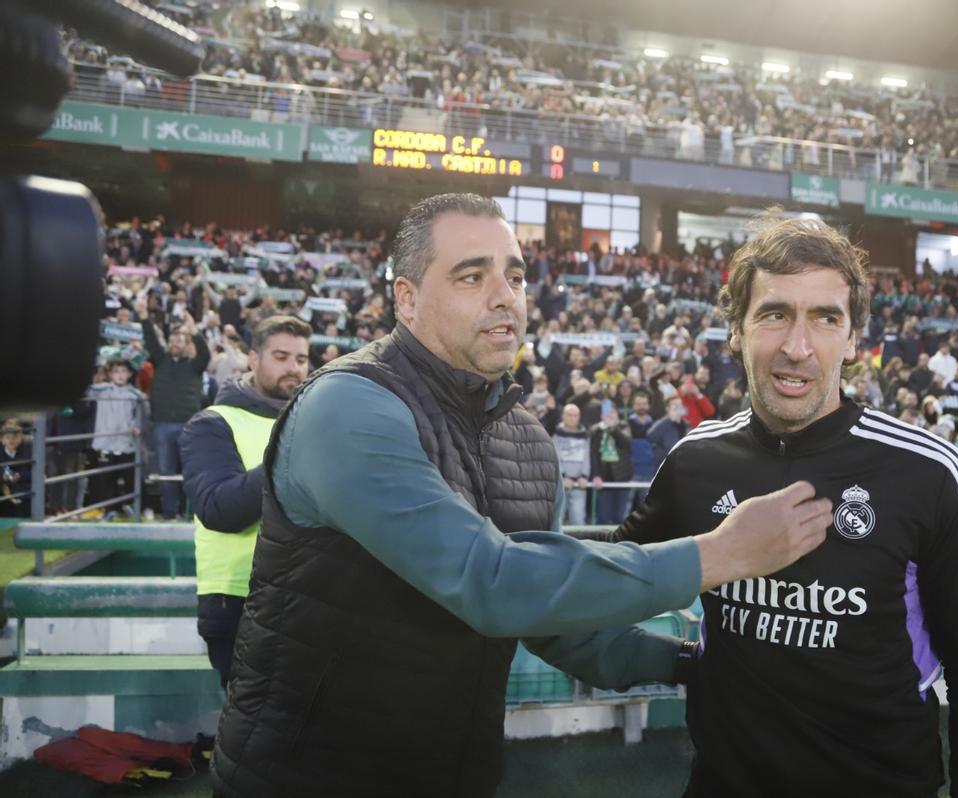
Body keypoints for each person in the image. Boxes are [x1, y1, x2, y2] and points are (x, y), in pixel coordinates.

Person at [210, 194, 831, 798]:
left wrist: (692, 664)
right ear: (406, 297)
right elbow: (492, 582)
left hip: (458, 774)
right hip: (306, 779)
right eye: (471, 276)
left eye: (515, 275)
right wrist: (718, 555)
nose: (504, 296)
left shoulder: (527, 439)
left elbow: (553, 621)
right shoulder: (346, 405)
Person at [608, 213, 958, 797]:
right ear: (737, 331)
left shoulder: (932, 472)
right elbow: (610, 578)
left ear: (853, 341)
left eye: (825, 318)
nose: (797, 347)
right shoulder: (696, 461)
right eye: (774, 314)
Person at [180, 316, 312, 687]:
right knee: (256, 735)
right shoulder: (212, 423)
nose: (294, 368)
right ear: (253, 360)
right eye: (282, 356)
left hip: (309, 596)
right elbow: (219, 510)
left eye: (301, 359)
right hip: (240, 600)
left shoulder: (313, 422)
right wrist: (291, 454)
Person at [137, 302, 210, 519]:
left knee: (192, 472)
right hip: (162, 425)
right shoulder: (160, 361)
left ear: (188, 344)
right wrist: (143, 317)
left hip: (189, 425)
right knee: (166, 472)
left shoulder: (196, 365)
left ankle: (193, 514)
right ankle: (170, 513)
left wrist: (194, 331)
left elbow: (205, 353)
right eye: (172, 340)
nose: (175, 343)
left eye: (179, 340)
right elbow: (151, 339)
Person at [85, 360, 146, 514]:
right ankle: (111, 509)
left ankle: (132, 506)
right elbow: (85, 391)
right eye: (116, 371)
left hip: (126, 443)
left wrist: (137, 426)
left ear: (129, 374)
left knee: (131, 477)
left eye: (123, 371)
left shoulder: (135, 395)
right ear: (110, 374)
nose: (120, 375)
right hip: (105, 443)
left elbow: (142, 416)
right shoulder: (100, 390)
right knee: (106, 479)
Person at [553, 402, 592, 525]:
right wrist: (563, 476)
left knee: (579, 520)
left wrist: (584, 476)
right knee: (557, 521)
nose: (572, 418)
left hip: (579, 484)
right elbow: (555, 458)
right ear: (563, 416)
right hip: (560, 485)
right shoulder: (556, 434)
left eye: (575, 415)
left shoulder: (586, 435)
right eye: (569, 415)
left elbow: (587, 458)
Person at [1, 419, 32, 518]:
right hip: (4, 491)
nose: (11, 440)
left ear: (21, 437)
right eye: (7, 437)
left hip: (25, 491)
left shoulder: (30, 451)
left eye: (15, 437)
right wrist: (2, 476)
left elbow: (38, 473)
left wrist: (19, 476)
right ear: (1, 439)